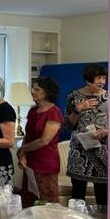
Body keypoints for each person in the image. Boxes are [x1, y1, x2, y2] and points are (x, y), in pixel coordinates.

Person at [64, 63, 109, 205]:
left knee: (103, 195)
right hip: (80, 151)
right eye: (98, 78)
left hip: (103, 150)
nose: (101, 81)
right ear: (88, 80)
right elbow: (69, 125)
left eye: (104, 78)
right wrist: (78, 109)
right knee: (77, 194)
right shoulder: (74, 96)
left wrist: (107, 131)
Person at [17, 77, 63, 207]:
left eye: (37, 89)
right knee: (29, 200)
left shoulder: (54, 113)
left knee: (47, 201)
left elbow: (44, 141)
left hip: (46, 163)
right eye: (33, 88)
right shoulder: (33, 110)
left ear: (47, 92)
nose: (33, 91)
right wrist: (22, 155)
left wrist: (22, 149)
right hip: (30, 162)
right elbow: (28, 135)